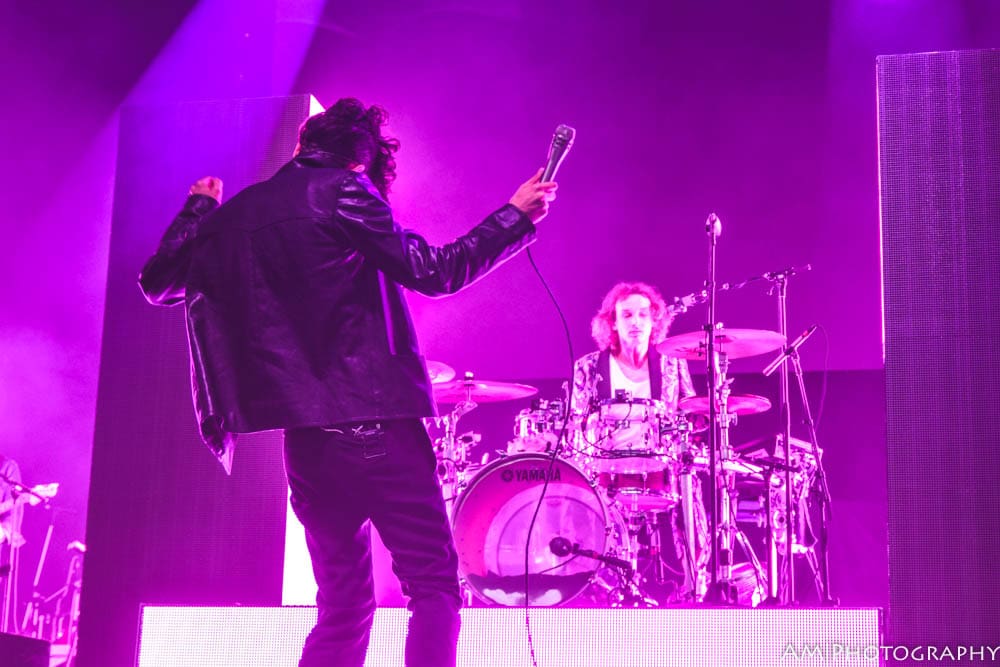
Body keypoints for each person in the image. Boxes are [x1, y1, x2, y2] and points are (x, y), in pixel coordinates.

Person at [138, 98, 556, 667]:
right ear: (360, 163)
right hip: (378, 423)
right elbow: (436, 271)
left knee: (342, 604)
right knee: (432, 587)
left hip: (308, 443)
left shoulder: (237, 215)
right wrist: (515, 216)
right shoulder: (344, 190)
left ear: (300, 146)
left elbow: (158, 282)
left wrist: (198, 208)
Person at [568, 281, 705, 603]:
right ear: (613, 322)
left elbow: (692, 409)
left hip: (661, 464)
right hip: (604, 466)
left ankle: (695, 588)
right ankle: (595, 589)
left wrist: (701, 416)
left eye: (643, 314)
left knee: (691, 486)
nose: (636, 322)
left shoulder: (672, 363)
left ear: (655, 320)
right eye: (627, 315)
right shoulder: (588, 367)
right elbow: (575, 425)